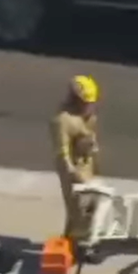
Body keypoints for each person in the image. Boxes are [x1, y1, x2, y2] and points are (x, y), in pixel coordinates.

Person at [51, 75, 101, 242]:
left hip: (86, 164)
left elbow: (91, 133)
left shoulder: (87, 115)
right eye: (86, 103)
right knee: (77, 208)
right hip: (72, 169)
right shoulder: (62, 120)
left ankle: (72, 239)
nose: (90, 106)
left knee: (88, 206)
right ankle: (77, 242)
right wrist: (73, 174)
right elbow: (62, 151)